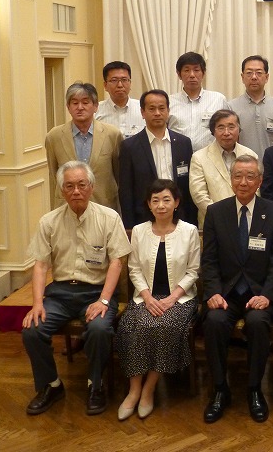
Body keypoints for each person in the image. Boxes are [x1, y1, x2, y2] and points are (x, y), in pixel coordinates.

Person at [21, 161, 129, 416]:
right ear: (62, 191)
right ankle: (51, 384)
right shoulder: (49, 221)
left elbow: (117, 262)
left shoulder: (109, 218)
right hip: (60, 294)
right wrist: (37, 304)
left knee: (100, 329)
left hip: (96, 293)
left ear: (91, 187)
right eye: (69, 186)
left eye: (82, 185)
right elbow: (40, 265)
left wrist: (104, 301)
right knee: (32, 330)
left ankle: (95, 384)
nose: (76, 191)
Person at [200, 155, 273, 424]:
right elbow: (209, 260)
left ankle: (254, 389)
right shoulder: (216, 212)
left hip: (259, 293)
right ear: (231, 180)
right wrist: (213, 292)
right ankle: (220, 389)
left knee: (258, 323)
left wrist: (267, 295)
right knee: (214, 322)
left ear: (259, 181)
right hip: (225, 293)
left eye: (250, 176)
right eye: (238, 176)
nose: (243, 182)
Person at [115, 180, 200, 420]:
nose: (161, 205)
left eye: (166, 200)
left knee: (163, 326)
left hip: (180, 299)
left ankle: (149, 389)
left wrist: (172, 298)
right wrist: (147, 297)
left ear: (176, 203)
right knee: (133, 325)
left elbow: (193, 271)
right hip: (145, 297)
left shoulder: (189, 231)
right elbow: (134, 269)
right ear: (149, 205)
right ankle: (134, 390)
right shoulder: (139, 231)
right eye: (155, 200)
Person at [118, 89, 195, 230]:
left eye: (162, 108)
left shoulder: (183, 143)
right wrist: (129, 227)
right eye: (152, 109)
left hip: (180, 218)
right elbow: (126, 192)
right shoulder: (129, 147)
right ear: (142, 112)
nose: (157, 113)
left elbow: (189, 185)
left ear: (168, 111)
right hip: (144, 219)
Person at [45, 82, 122, 211]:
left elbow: (119, 175)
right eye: (75, 103)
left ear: (96, 106)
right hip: (67, 207)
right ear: (68, 107)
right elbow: (54, 175)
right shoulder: (54, 136)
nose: (80, 107)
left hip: (104, 206)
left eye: (85, 102)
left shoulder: (112, 134)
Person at [189, 109, 258, 231]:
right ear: (213, 131)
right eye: (221, 128)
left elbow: (256, 189)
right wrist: (220, 216)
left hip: (247, 219)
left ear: (239, 129)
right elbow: (199, 195)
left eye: (231, 127)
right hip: (213, 222)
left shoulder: (250, 155)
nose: (227, 132)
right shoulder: (199, 157)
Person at [168, 51, 229, 152]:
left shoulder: (218, 99)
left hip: (210, 156)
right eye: (186, 70)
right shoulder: (169, 102)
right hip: (178, 156)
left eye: (196, 70)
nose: (192, 75)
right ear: (179, 74)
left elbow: (227, 128)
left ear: (203, 73)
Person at [228, 55, 273, 160]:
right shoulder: (231, 107)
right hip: (242, 165)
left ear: (267, 77)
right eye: (249, 73)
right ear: (242, 77)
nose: (254, 77)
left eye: (259, 73)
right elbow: (230, 142)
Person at [94, 61, 145, 138]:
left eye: (124, 80)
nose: (120, 85)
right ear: (105, 85)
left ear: (130, 83)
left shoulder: (142, 109)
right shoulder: (96, 111)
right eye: (114, 80)